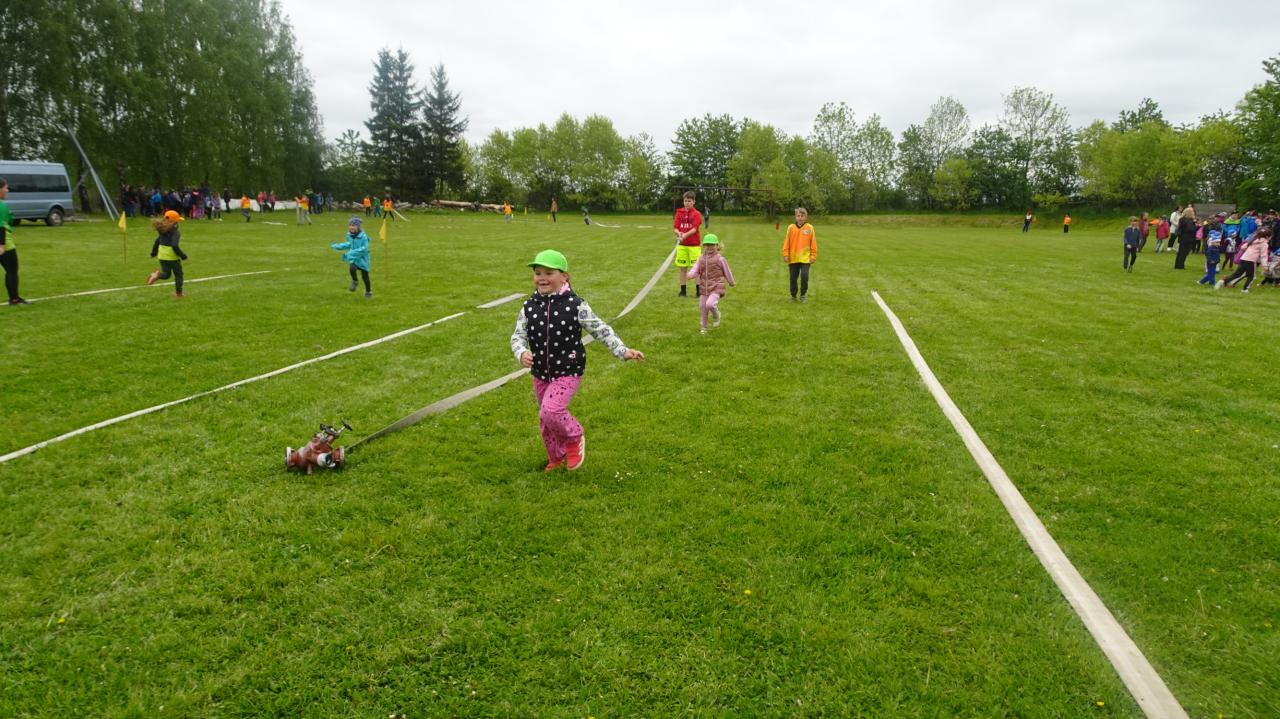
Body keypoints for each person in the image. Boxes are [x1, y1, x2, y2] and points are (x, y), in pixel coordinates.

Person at [510, 249, 645, 472]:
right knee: (546, 420)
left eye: (549, 273)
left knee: (552, 410)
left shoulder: (576, 305)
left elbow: (601, 329)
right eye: (538, 273)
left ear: (564, 276)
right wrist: (521, 352)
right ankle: (556, 457)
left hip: (568, 370)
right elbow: (517, 336)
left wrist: (622, 351)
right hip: (541, 373)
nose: (542, 278)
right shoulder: (529, 307)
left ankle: (574, 437)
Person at [685, 234, 735, 335]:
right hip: (704, 287)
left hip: (716, 287)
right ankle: (703, 327)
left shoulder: (720, 259)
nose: (709, 247)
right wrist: (690, 274)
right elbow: (696, 269)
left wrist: (731, 282)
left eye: (712, 245)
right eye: (707, 245)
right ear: (703, 246)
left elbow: (727, 271)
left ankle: (716, 315)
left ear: (717, 246)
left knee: (710, 304)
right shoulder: (701, 258)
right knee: (703, 307)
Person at [146, 210, 189, 298]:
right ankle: (179, 294)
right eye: (177, 221)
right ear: (174, 222)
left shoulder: (162, 231)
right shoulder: (175, 232)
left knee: (166, 275)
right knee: (178, 275)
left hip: (162, 255)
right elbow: (174, 245)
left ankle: (156, 275)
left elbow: (157, 241)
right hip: (171, 257)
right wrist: (183, 256)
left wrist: (153, 253)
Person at [1217, 227, 1273, 293]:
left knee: (1237, 274)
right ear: (1267, 236)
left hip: (1243, 259)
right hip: (1251, 261)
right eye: (1271, 236)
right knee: (1251, 276)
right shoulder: (1264, 244)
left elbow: (1243, 247)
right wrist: (1265, 266)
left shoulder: (1254, 240)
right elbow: (1264, 256)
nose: (1271, 238)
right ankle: (1245, 289)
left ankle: (1223, 281)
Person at [0, 178, 27, 305]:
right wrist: (1, 245)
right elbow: (1, 226)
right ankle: (14, 299)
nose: (7, 190)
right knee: (11, 270)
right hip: (5, 243)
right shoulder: (1, 206)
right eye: (5, 188)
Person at [782, 207, 817, 302]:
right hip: (793, 257)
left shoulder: (810, 228)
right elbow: (786, 242)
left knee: (805, 277)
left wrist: (813, 255)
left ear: (806, 217)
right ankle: (793, 296)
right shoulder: (791, 227)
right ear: (795, 217)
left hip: (805, 258)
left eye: (802, 216)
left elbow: (813, 243)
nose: (800, 218)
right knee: (793, 278)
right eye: (798, 216)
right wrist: (785, 254)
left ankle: (803, 295)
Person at [331, 216, 372, 298]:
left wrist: (351, 253)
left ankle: (368, 292)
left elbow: (364, 249)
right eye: (350, 225)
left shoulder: (363, 237)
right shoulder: (350, 235)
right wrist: (338, 246)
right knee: (352, 268)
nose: (351, 227)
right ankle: (355, 281)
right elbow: (349, 244)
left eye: (353, 225)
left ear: (358, 226)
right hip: (354, 258)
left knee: (365, 277)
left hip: (363, 259)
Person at [673, 190, 704, 296]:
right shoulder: (679, 213)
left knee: (697, 269)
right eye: (685, 201)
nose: (687, 203)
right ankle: (683, 291)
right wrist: (679, 233)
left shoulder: (697, 214)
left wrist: (685, 235)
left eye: (689, 201)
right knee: (682, 269)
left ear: (694, 202)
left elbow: (694, 229)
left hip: (694, 246)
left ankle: (699, 291)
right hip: (682, 246)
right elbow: (675, 228)